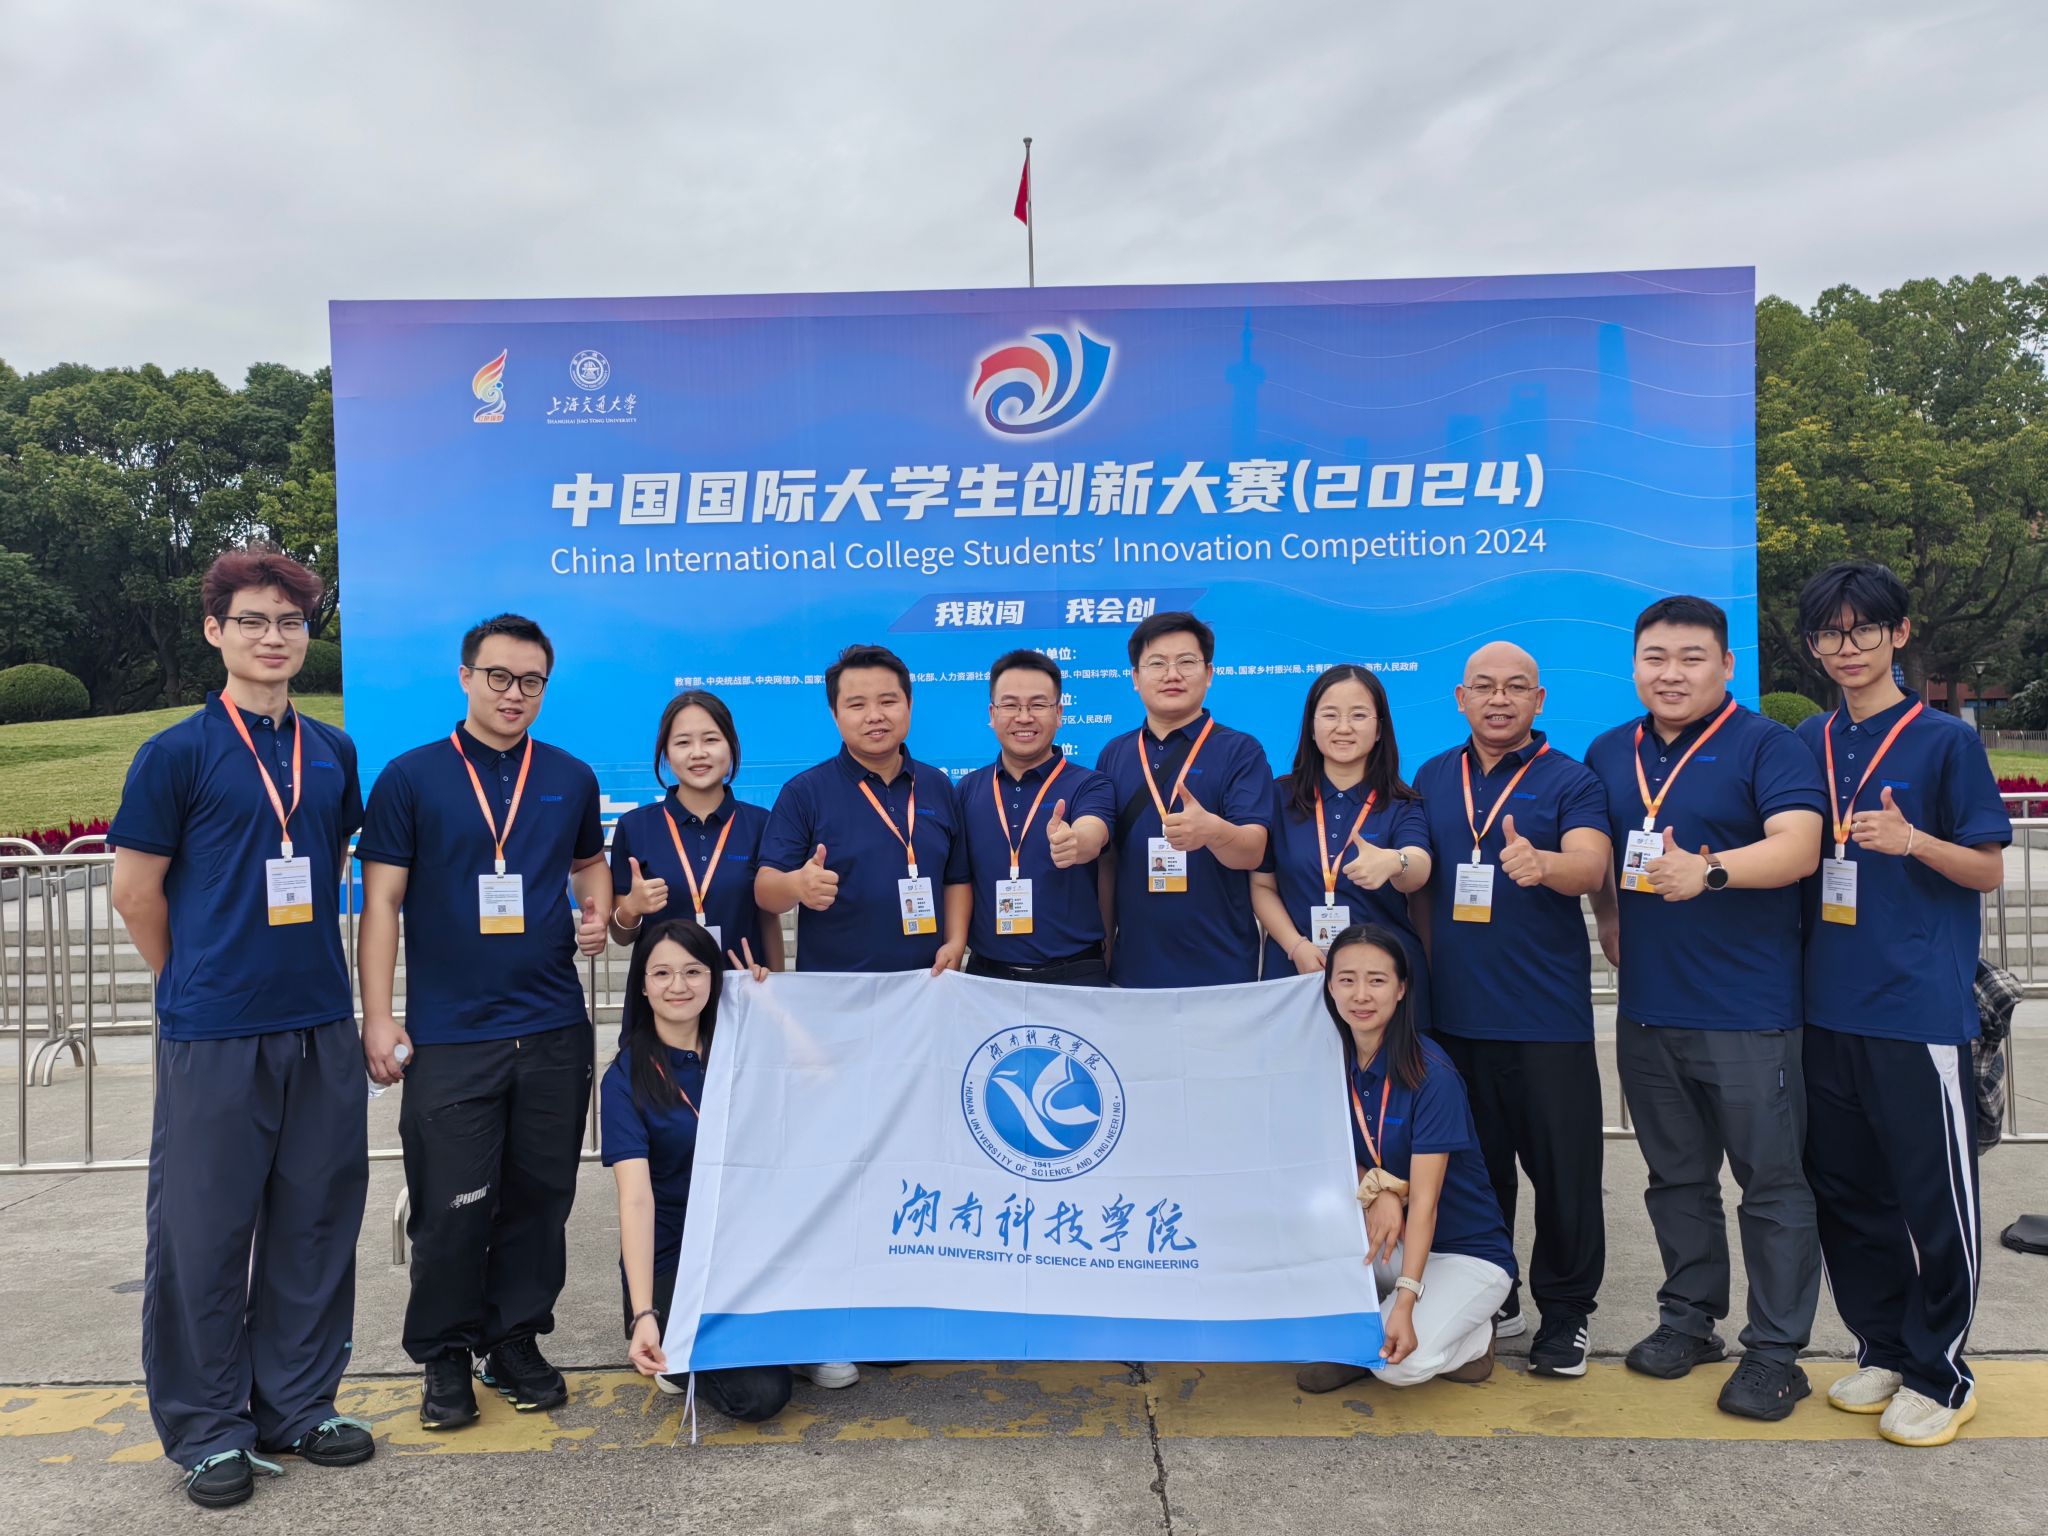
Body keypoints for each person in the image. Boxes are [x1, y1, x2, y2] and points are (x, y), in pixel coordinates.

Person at [109, 546, 371, 1508]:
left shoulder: (333, 751)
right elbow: (134, 891)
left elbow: (326, 859)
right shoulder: (175, 754)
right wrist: (189, 980)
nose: (274, 638)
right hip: (216, 1031)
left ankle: (299, 1403)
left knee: (315, 1222)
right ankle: (209, 1428)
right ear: (215, 631)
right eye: (253, 621)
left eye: (290, 622)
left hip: (319, 1018)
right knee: (204, 1234)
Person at [356, 613, 611, 1430]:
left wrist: (596, 911)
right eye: (498, 676)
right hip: (451, 1034)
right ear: (466, 677)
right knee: (453, 1204)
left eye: (531, 681)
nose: (513, 694)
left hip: (552, 1025)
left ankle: (514, 1341)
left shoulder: (569, 776)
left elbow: (589, 864)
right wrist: (377, 1015)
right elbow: (382, 903)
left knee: (540, 1200)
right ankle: (444, 1355)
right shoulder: (411, 777)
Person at [1583, 595, 1826, 1421]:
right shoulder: (1610, 751)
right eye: (1655, 657)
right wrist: (1609, 916)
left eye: (1692, 658)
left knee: (1771, 1185)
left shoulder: (1767, 744)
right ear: (1635, 666)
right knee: (1676, 1179)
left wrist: (1710, 871)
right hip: (1649, 1010)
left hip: (1749, 1011)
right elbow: (1604, 856)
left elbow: (1799, 846)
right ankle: (1690, 1321)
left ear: (1726, 665)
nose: (1672, 673)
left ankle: (1776, 1353)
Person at [1793, 560, 2009, 1447]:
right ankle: (1882, 1347)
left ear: (1900, 634)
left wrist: (1914, 839)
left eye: (1865, 630)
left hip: (1915, 1008)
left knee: (1934, 1201)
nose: (1847, 648)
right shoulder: (1808, 737)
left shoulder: (1945, 742)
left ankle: (1941, 1373)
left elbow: (1987, 868)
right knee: (1847, 1194)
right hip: (1823, 1008)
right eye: (1830, 633)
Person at [1411, 642, 1612, 1374]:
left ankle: (1567, 1314)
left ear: (1539, 699)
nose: (1500, 699)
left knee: (1564, 1176)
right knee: (1476, 1175)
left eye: (1516, 687)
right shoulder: (1433, 776)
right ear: (1460, 697)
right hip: (1453, 1019)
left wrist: (1544, 864)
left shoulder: (1571, 779)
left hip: (1544, 1019)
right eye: (1486, 687)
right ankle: (1496, 1295)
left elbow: (1591, 865)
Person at [607, 920, 822, 1418]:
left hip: (750, 1246)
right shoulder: (626, 1077)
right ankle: (673, 1352)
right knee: (761, 1395)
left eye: (693, 971)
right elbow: (636, 1200)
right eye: (662, 973)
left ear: (714, 979)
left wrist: (771, 1008)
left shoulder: (742, 1046)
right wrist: (643, 1312)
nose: (678, 986)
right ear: (643, 985)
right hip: (677, 1258)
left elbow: (821, 1074)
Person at [1296, 924, 1517, 1393]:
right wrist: (1378, 1188)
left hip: (1462, 1253)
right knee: (1305, 1215)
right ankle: (1372, 1332)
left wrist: (1405, 1302)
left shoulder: (1429, 1073)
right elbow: (1325, 1157)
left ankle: (1475, 1337)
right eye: (1347, 979)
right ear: (1329, 986)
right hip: (1392, 1241)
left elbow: (1427, 1205)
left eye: (1376, 980)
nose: (1361, 995)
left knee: (1396, 1368)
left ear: (1401, 989)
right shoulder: (1330, 1062)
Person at [755, 643, 970, 978]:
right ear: (835, 714)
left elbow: (956, 879)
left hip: (927, 986)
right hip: (837, 991)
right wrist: (798, 885)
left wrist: (956, 942)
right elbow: (765, 890)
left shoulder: (937, 786)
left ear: (909, 704)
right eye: (857, 705)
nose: (874, 716)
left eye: (888, 701)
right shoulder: (805, 792)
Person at [1094, 611, 1274, 987]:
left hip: (1222, 971)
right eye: (1157, 663)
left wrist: (1213, 832)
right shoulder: (1114, 754)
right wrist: (1103, 952)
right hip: (1133, 973)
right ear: (1135, 678)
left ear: (1208, 674)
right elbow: (1108, 863)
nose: (1172, 674)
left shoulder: (1240, 751)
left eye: (1186, 662)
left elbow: (1253, 851)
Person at [1252, 665, 1432, 1015]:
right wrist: (1296, 947)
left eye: (1359, 715)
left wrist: (1394, 862)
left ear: (1379, 729)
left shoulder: (1402, 803)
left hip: (1381, 984)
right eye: (1330, 715)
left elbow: (1418, 866)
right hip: (1297, 973)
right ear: (1312, 727)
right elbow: (1261, 886)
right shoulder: (1278, 797)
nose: (1344, 727)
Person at [956, 649, 1118, 985]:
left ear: (1059, 714)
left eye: (1038, 705)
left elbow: (1093, 831)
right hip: (986, 979)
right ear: (992, 714)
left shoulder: (1090, 784)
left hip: (1074, 976)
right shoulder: (967, 789)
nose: (1024, 717)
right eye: (1011, 705)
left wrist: (1076, 842)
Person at [608, 689, 783, 970]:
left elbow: (768, 919)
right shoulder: (635, 827)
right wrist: (631, 908)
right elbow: (621, 936)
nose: (698, 753)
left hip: (742, 986)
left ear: (731, 746)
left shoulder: (761, 824)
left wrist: (775, 985)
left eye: (711, 739)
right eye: (683, 742)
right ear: (666, 753)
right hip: (665, 989)